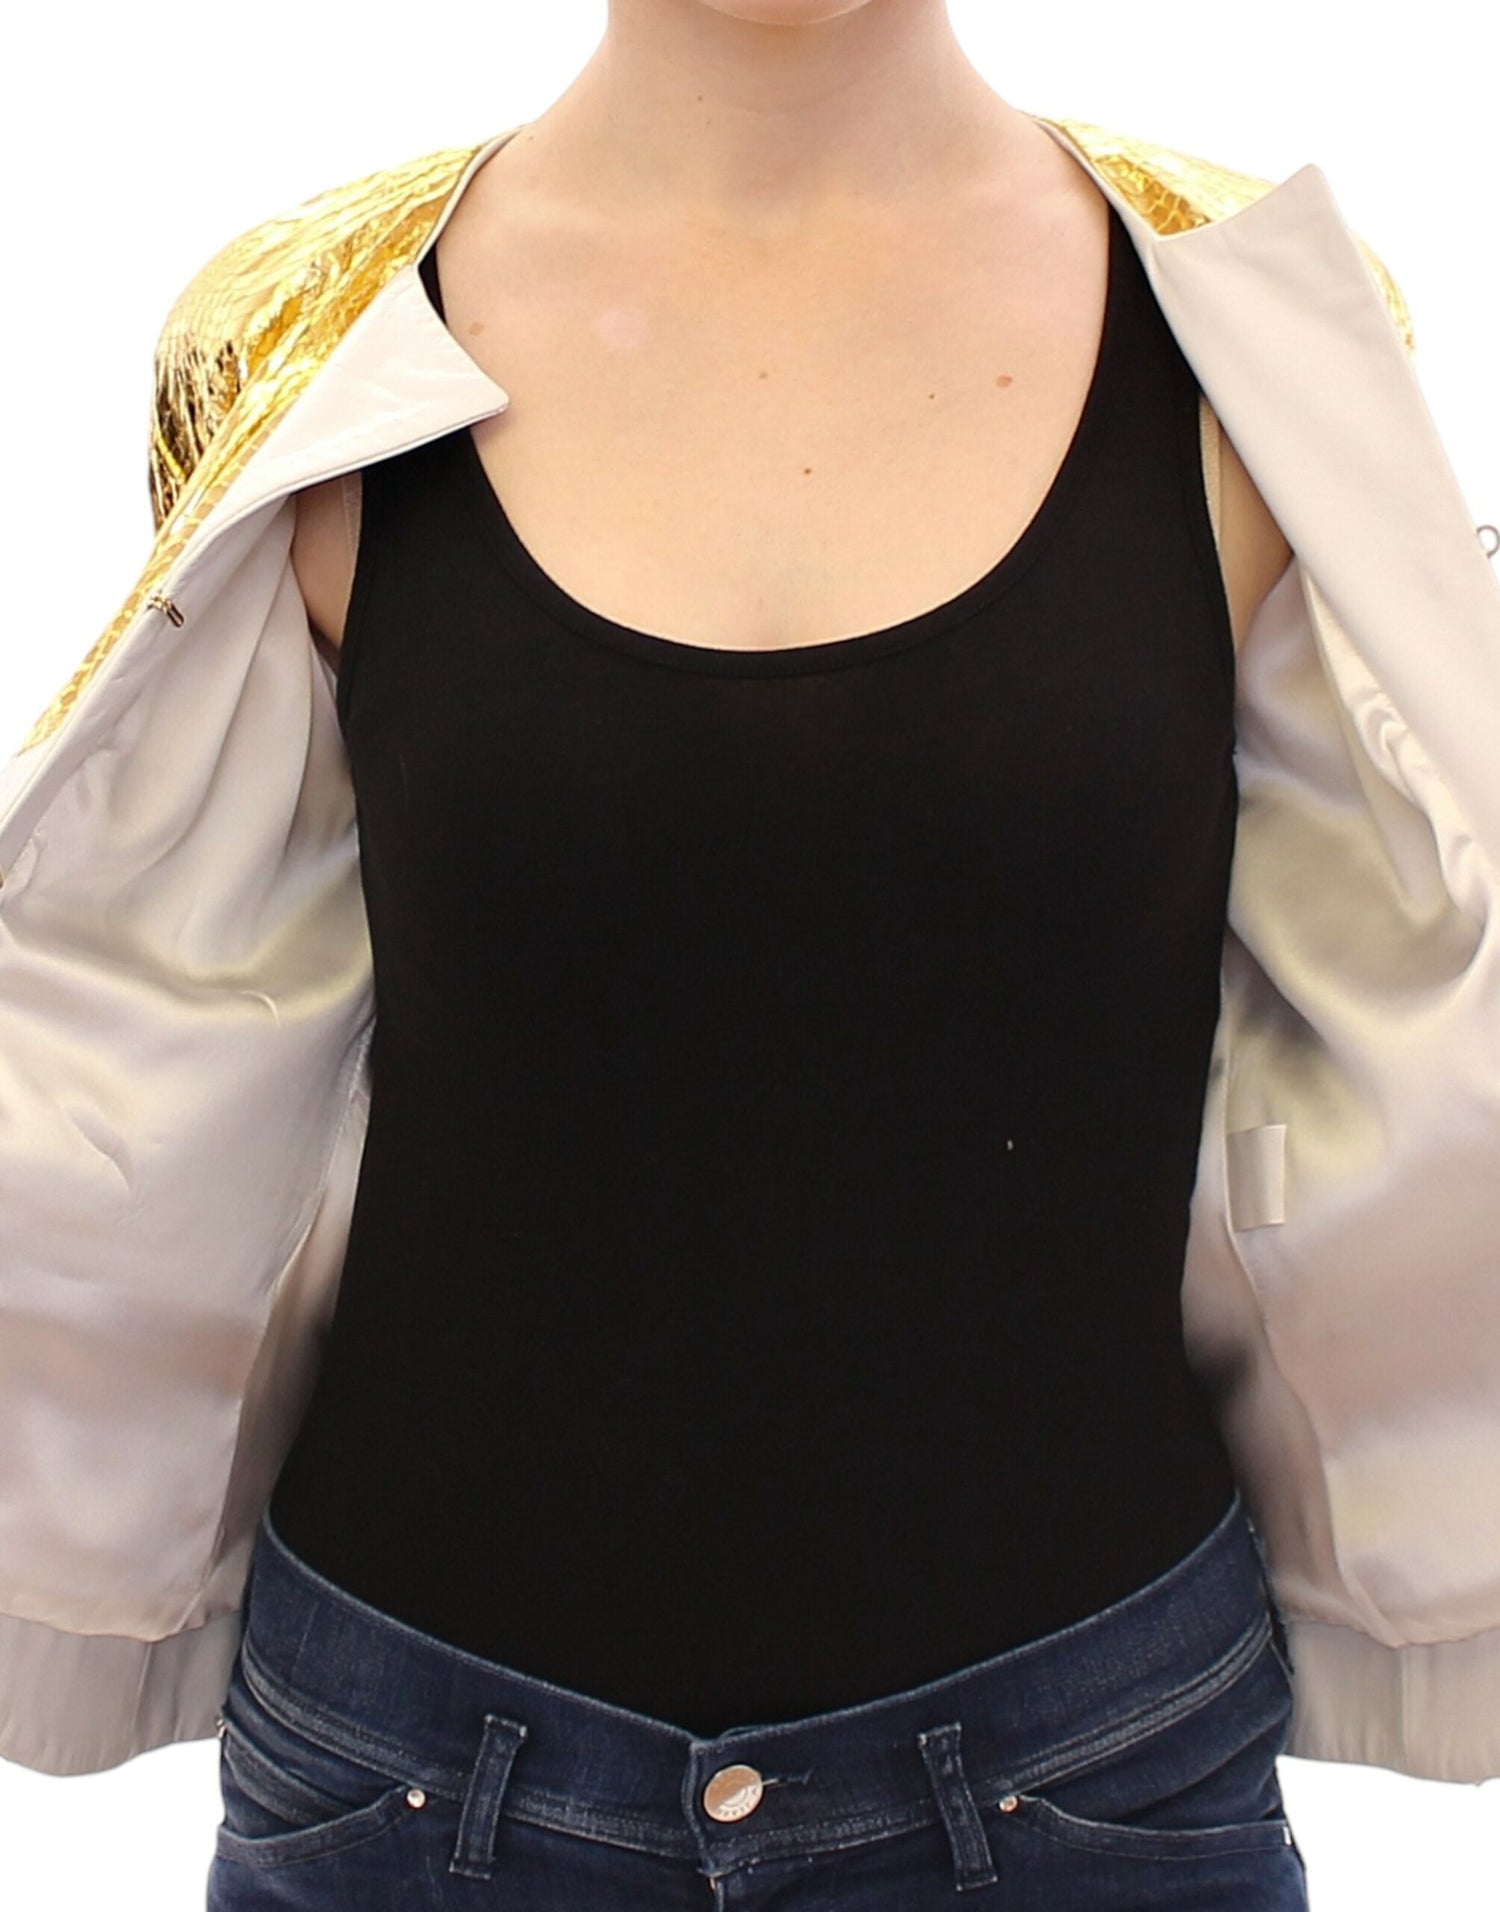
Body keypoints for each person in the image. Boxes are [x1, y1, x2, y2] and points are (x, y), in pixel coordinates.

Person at [3, 2, 1498, 1906]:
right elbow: (199, 1041)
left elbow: (1364, 1030)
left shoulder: (1257, 348)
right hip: (410, 1791)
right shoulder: (302, 350)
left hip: (1096, 1778)